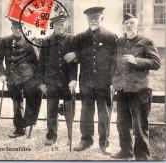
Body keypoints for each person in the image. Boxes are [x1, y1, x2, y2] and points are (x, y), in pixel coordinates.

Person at [65, 7, 117, 154]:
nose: (93, 21)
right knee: (86, 112)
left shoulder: (110, 36)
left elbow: (115, 61)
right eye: (91, 18)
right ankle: (86, 140)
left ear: (102, 19)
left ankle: (104, 143)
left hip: (104, 82)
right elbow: (74, 60)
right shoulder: (80, 37)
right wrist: (73, 79)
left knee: (104, 113)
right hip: (86, 82)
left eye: (96, 18)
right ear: (87, 20)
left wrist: (113, 80)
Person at [111, 13, 160, 160]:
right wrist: (114, 82)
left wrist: (136, 60)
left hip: (140, 90)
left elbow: (156, 63)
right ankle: (126, 151)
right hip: (122, 89)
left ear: (137, 26)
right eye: (126, 24)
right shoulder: (119, 42)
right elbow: (114, 65)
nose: (129, 26)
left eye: (132, 23)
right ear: (123, 26)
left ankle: (142, 156)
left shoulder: (146, 41)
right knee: (122, 124)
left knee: (139, 125)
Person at [0, 19, 42, 138]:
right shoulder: (5, 41)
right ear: (11, 29)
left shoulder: (30, 41)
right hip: (12, 77)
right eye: (15, 28)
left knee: (32, 98)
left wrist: (37, 78)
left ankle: (28, 123)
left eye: (20, 29)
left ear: (24, 29)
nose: (17, 31)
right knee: (17, 103)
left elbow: (37, 61)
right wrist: (1, 74)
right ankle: (19, 128)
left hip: (28, 77)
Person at [39, 15, 78, 146]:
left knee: (69, 110)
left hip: (68, 82)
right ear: (53, 26)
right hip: (52, 81)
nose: (60, 27)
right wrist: (42, 82)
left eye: (62, 25)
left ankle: (70, 136)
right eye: (57, 25)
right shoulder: (47, 40)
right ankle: (51, 136)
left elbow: (74, 63)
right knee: (51, 110)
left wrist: (73, 79)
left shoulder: (72, 39)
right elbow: (42, 62)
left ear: (66, 25)